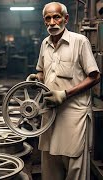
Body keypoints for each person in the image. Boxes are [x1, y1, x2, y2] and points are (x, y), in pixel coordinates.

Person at [26, 2, 101, 180]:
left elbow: (95, 76)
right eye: (48, 18)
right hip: (49, 113)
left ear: (65, 19)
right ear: (44, 21)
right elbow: (42, 71)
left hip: (73, 115)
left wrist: (65, 94)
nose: (52, 22)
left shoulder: (79, 41)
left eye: (56, 17)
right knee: (50, 165)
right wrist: (37, 77)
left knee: (75, 167)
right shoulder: (45, 43)